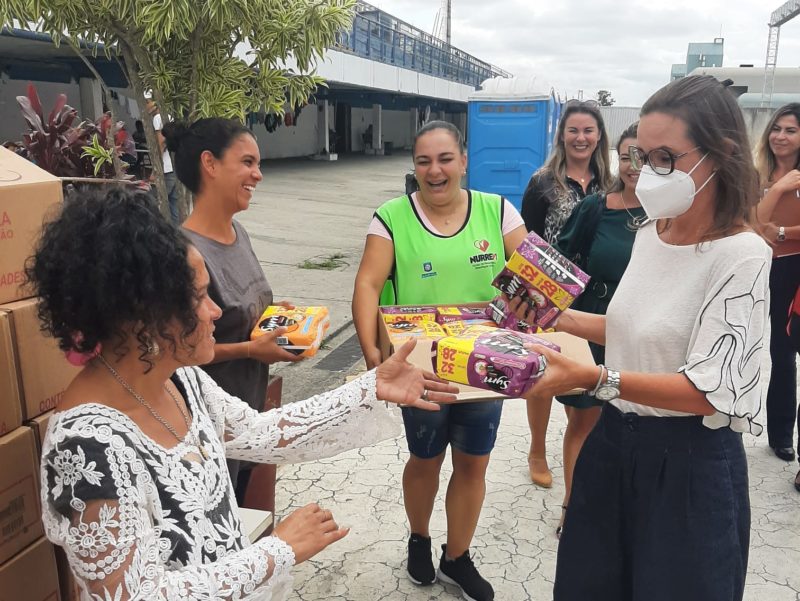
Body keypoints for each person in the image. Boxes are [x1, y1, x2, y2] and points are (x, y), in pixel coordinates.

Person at [30, 187, 457, 601]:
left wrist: (370, 387)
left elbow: (260, 430)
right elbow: (135, 594)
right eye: (199, 297)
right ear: (143, 316)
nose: (216, 310)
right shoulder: (85, 446)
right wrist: (278, 549)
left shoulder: (181, 380)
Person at [516, 75, 769, 601]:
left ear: (719, 155)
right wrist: (555, 318)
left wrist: (595, 378)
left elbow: (709, 389)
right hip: (612, 445)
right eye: (638, 156)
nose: (644, 171)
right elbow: (634, 326)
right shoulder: (653, 231)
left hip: (689, 465)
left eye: (663, 157)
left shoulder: (741, 255)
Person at [352, 120, 527, 601]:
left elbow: (530, 277)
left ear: (464, 161)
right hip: (419, 370)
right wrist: (373, 354)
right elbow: (368, 284)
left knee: (474, 463)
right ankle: (419, 538)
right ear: (414, 166)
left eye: (445, 159)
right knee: (425, 458)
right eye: (424, 161)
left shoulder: (498, 211)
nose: (435, 170)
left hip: (482, 369)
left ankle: (457, 556)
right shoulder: (391, 217)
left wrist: (532, 332)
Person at [162, 117, 300, 502]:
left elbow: (243, 317)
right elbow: (174, 355)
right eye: (248, 162)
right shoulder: (183, 253)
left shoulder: (240, 235)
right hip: (205, 430)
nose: (258, 175)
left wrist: (279, 318)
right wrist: (251, 351)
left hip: (247, 417)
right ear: (210, 164)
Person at [550, 122, 645, 537]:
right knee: (585, 424)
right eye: (626, 156)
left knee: (638, 424)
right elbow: (559, 260)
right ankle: (575, 505)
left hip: (645, 332)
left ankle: (626, 508)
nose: (634, 166)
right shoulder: (595, 207)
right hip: (591, 326)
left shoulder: (680, 215)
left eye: (644, 156)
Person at [518, 100, 613, 487]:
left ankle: (578, 449)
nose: (581, 137)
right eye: (573, 130)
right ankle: (537, 450)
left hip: (597, 296)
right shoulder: (542, 181)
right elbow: (526, 239)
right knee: (541, 372)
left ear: (599, 136)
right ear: (562, 135)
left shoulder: (611, 183)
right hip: (550, 294)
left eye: (588, 130)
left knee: (585, 379)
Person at [752, 103, 800, 479]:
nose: (781, 137)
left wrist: (782, 233)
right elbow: (753, 222)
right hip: (755, 265)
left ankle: (783, 434)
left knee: (783, 353)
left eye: (791, 130)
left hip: (793, 269)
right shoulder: (758, 174)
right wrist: (780, 187)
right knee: (744, 344)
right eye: (777, 129)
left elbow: (769, 226)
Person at [147, 99, 179, 224]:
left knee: (152, 202)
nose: (146, 106)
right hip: (174, 168)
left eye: (147, 102)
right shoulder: (169, 117)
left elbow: (161, 144)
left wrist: (156, 170)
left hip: (165, 169)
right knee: (173, 207)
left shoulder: (158, 118)